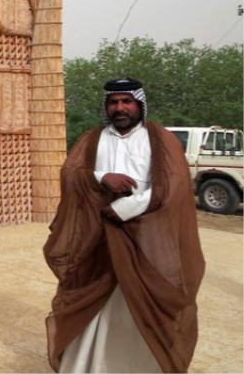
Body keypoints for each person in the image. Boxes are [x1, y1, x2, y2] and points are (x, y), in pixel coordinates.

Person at [43, 77, 205, 373]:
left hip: (146, 237)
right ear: (106, 106)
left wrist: (126, 207)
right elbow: (70, 173)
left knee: (143, 300)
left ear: (139, 104)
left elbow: (175, 184)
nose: (120, 107)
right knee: (95, 302)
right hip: (99, 238)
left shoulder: (160, 138)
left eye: (126, 101)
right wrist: (101, 177)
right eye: (113, 102)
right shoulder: (92, 139)